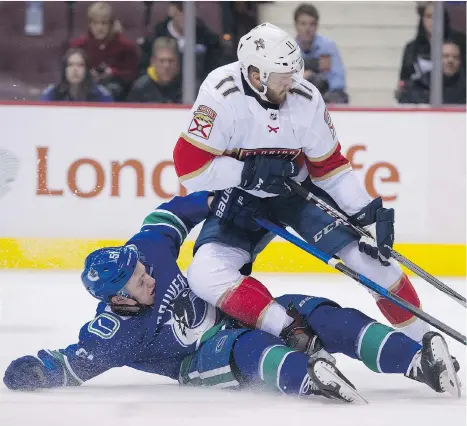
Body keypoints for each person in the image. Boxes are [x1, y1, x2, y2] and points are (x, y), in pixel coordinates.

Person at [3, 192, 461, 401]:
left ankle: (418, 361)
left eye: (140, 267)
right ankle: (306, 376)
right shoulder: (114, 333)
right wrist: (32, 371)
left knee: (314, 309)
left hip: (228, 311)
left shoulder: (144, 251)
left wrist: (214, 202)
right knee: (244, 348)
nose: (146, 274)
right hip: (199, 359)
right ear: (117, 300)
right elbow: (68, 364)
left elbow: (167, 213)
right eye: (135, 280)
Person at [172, 22, 430, 355]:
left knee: (374, 263)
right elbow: (189, 167)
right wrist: (246, 173)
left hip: (296, 193)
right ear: (256, 76)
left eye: (294, 74)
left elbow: (331, 168)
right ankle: (289, 329)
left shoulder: (306, 98)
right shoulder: (219, 94)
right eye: (283, 78)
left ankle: (423, 344)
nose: (293, 83)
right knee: (204, 274)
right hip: (242, 199)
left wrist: (366, 214)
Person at [69, 2, 139, 101]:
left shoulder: (125, 47)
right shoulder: (78, 46)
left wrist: (113, 73)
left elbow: (132, 75)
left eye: (104, 23)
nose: (99, 28)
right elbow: (69, 73)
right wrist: (86, 74)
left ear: (111, 24)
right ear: (89, 24)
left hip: (117, 93)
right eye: (95, 23)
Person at [293, 3, 348, 103]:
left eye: (312, 24)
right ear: (296, 25)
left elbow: (338, 82)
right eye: (303, 24)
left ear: (317, 26)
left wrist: (314, 79)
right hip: (298, 98)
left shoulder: (328, 47)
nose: (307, 29)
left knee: (339, 97)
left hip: (324, 97)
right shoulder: (288, 49)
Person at [397, 40, 466, 104]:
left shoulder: (464, 88)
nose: (450, 60)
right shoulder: (419, 86)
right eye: (445, 56)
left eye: (456, 57)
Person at [40, 48, 112, 102]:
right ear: (64, 69)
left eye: (80, 65)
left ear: (87, 70)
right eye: (70, 65)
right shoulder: (52, 93)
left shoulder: (101, 94)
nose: (75, 69)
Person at [127, 37, 182, 104]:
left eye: (171, 61)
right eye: (161, 61)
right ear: (153, 62)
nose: (166, 66)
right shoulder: (140, 88)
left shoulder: (187, 87)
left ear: (178, 62)